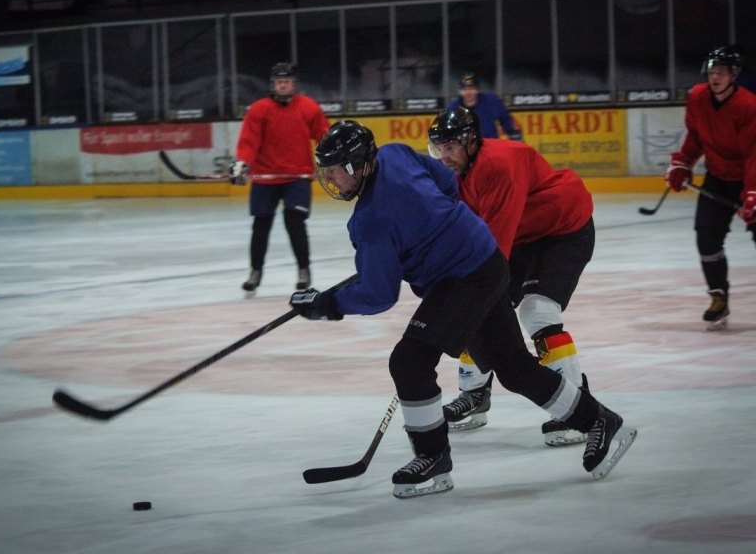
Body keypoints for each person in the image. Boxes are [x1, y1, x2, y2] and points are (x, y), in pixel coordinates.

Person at [289, 120, 636, 498]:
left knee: (409, 361)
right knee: (514, 369)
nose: (331, 181)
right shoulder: (395, 153)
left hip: (463, 279)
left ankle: (433, 458)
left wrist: (328, 304)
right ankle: (600, 420)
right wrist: (432, 229)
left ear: (359, 165)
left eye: (336, 171)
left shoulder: (370, 221)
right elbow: (447, 184)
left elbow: (378, 294)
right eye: (326, 172)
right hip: (485, 260)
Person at [427, 106, 594, 447]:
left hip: (563, 231)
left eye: (450, 147)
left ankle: (578, 407)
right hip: (524, 234)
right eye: (438, 148)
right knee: (476, 306)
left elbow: (493, 250)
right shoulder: (458, 171)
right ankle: (475, 394)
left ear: (471, 142)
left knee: (537, 311)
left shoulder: (498, 165)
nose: (444, 156)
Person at [665, 46, 756, 330]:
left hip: (750, 176)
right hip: (717, 177)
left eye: (721, 72)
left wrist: (752, 194)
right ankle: (718, 297)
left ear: (734, 76)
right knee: (706, 237)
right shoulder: (698, 97)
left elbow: (754, 154)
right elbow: (696, 136)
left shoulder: (749, 106)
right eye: (712, 71)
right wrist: (682, 162)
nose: (715, 76)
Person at [230, 62, 330, 297]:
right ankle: (255, 272)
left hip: (297, 176)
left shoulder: (308, 107)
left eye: (287, 81)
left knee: (295, 222)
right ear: (273, 85)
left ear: (294, 84)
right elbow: (249, 142)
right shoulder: (259, 109)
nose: (283, 85)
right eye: (279, 82)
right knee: (260, 226)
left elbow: (323, 135)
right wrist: (242, 163)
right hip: (266, 178)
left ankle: (303, 270)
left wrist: (331, 160)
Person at [447, 72, 523, 141]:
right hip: (466, 147)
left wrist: (515, 137)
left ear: (477, 89)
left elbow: (507, 121)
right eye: (465, 90)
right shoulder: (453, 107)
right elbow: (447, 131)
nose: (468, 93)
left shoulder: (491, 101)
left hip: (489, 144)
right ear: (460, 91)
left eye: (471, 89)